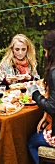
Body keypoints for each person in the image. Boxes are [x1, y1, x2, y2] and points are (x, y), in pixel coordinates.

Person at [27, 30, 55, 164]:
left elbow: (52, 107)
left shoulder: (53, 72)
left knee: (31, 141)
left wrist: (34, 92)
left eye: (45, 52)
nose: (45, 55)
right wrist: (46, 116)